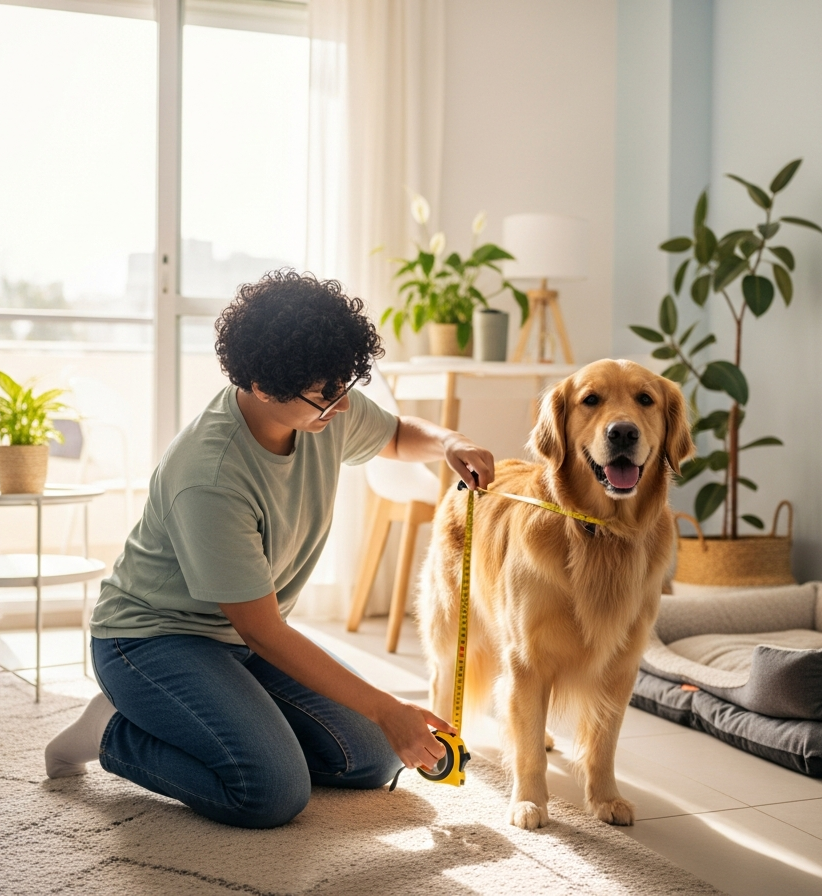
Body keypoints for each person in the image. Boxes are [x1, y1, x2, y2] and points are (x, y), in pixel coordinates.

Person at [44, 270, 495, 829]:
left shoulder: (322, 414)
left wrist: (450, 442)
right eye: (327, 395)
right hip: (152, 640)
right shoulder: (210, 475)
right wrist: (387, 707)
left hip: (238, 640)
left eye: (346, 387)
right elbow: (264, 630)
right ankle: (113, 731)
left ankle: (235, 721)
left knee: (372, 757)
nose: (343, 407)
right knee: (271, 793)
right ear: (262, 386)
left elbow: (398, 434)